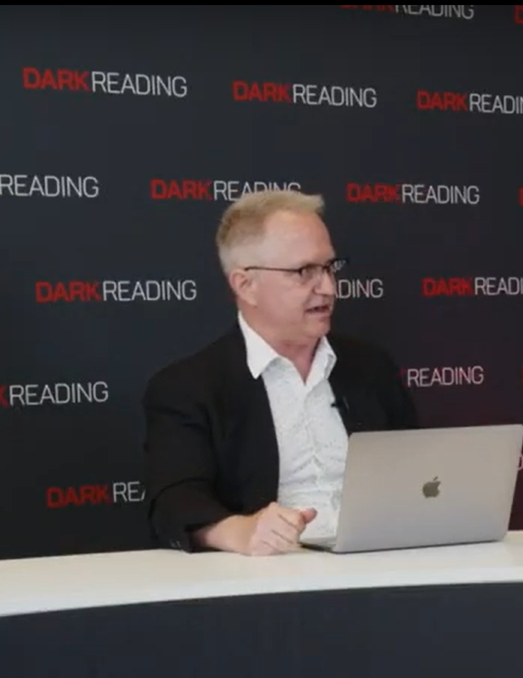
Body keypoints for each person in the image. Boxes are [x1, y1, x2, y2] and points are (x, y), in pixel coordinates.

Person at [143, 190, 417, 554]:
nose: (328, 287)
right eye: (305, 272)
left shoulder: (371, 367)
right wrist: (240, 532)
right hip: (274, 584)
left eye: (330, 267)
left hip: (384, 565)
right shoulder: (188, 387)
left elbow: (419, 475)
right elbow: (174, 502)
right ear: (246, 285)